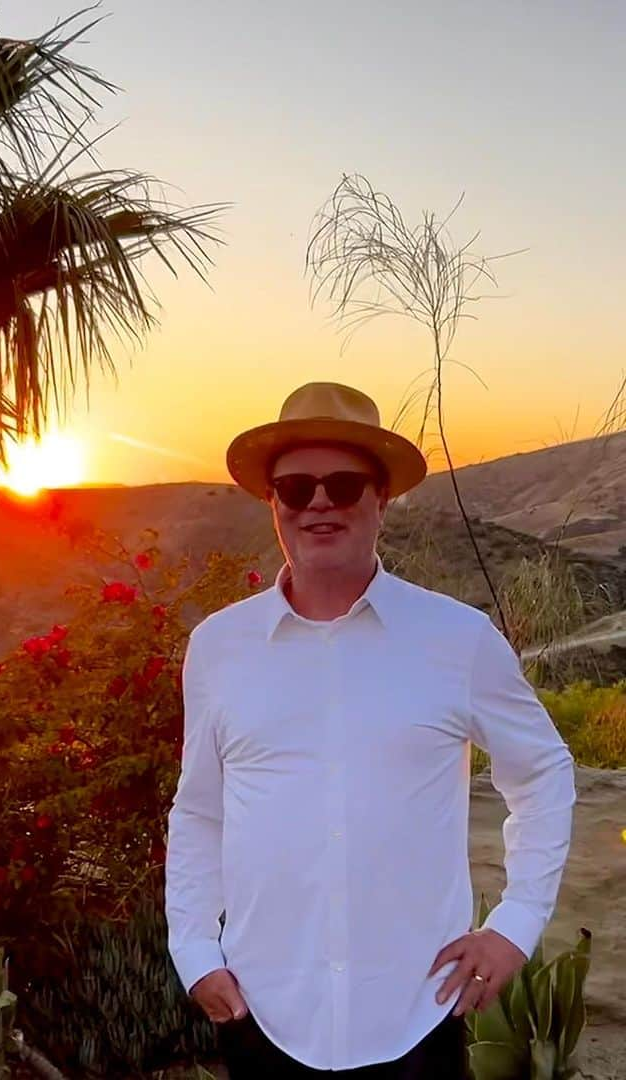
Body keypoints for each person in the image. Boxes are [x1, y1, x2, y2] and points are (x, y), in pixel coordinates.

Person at [164, 382, 576, 1078]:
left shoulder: (457, 639)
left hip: (414, 1018)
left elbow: (543, 774)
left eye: (344, 483)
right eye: (296, 487)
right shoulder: (218, 647)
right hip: (263, 1015)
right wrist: (195, 952)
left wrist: (516, 923)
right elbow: (201, 809)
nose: (319, 502)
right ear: (274, 504)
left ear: (382, 499)